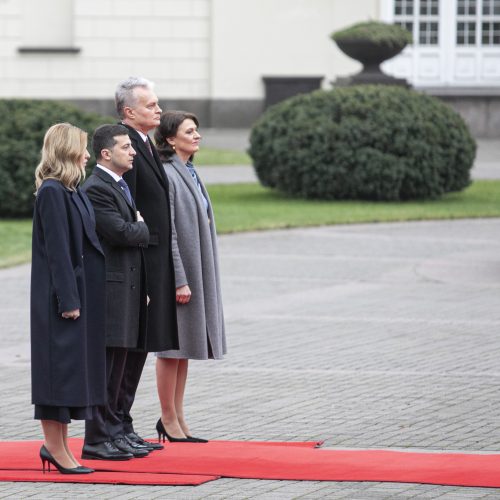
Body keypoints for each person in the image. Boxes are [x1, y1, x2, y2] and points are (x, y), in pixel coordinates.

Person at [31, 123, 106, 474]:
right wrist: (68, 300)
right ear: (66, 151)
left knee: (69, 374)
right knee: (56, 374)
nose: (88, 155)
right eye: (83, 148)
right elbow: (59, 253)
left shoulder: (70, 190)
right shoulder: (51, 192)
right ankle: (54, 448)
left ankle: (60, 448)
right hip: (59, 299)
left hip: (77, 295)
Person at [81, 124, 153, 460]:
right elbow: (122, 232)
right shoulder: (97, 188)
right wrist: (141, 226)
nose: (133, 151)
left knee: (123, 366)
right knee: (108, 367)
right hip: (111, 292)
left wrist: (137, 226)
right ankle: (98, 437)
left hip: (128, 288)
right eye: (126, 147)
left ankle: (116, 430)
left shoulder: (119, 185)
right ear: (106, 153)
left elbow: (131, 229)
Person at [153, 111, 226, 443]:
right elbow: (165, 232)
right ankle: (167, 417)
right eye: (189, 131)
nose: (197, 136)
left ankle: (178, 417)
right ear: (171, 139)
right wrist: (179, 278)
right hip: (179, 275)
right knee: (171, 349)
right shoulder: (167, 175)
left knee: (186, 347)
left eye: (197, 130)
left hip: (197, 271)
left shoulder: (191, 171)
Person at [115, 77, 178, 449]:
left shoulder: (146, 144)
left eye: (157, 103)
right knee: (130, 347)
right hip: (141, 261)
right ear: (129, 112)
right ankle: (116, 425)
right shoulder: (125, 146)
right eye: (151, 104)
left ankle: (123, 423)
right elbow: (128, 205)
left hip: (153, 259)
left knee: (141, 345)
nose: (158, 109)